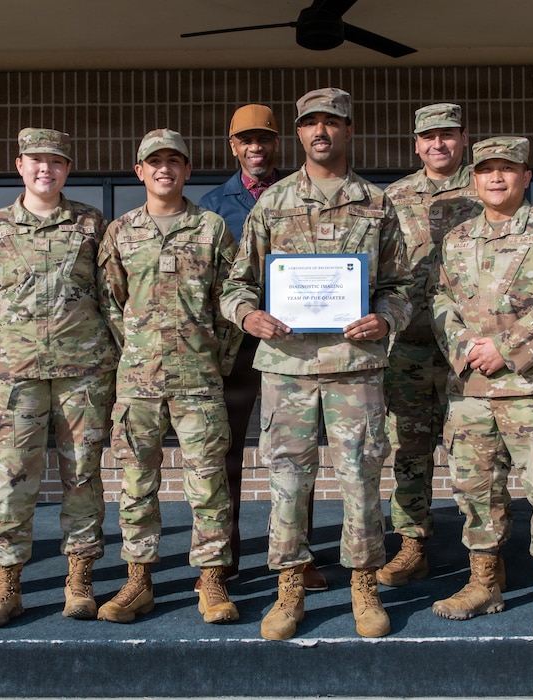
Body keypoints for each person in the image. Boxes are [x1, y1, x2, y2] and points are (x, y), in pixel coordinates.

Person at [221, 88, 412, 640]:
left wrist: (385, 318)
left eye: (332, 123)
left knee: (360, 474)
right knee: (287, 478)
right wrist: (248, 316)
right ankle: (289, 588)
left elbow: (402, 284)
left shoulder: (377, 204)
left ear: (350, 131)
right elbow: (236, 284)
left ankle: (363, 587)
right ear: (299, 135)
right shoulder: (272, 204)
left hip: (355, 365)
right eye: (310, 124)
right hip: (287, 365)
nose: (321, 133)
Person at [429, 136, 533, 639]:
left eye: (508, 169)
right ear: (474, 179)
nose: (496, 178)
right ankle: (484, 584)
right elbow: (439, 302)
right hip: (472, 390)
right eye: (487, 170)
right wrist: (464, 349)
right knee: (476, 493)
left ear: (526, 176)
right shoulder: (456, 240)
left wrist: (506, 347)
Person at [0, 128, 119, 627]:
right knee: (11, 481)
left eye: (56, 162)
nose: (45, 170)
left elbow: (111, 289)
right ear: (20, 165)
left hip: (84, 373)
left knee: (82, 477)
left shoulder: (92, 225)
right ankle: (7, 586)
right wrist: (18, 334)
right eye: (36, 161)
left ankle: (80, 580)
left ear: (67, 169)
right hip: (17, 376)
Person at [96, 128, 242, 625]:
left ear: (186, 170)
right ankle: (138, 580)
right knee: (136, 484)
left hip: (199, 380)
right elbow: (110, 303)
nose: (164, 169)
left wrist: (214, 360)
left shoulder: (213, 228)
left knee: (208, 485)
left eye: (174, 161)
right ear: (140, 171)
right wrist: (136, 352)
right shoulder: (120, 232)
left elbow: (230, 304)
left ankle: (212, 581)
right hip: (138, 383)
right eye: (154, 161)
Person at [198, 104, 327, 592]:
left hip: (296, 346)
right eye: (246, 140)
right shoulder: (211, 206)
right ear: (233, 147)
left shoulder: (305, 195)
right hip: (235, 349)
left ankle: (300, 556)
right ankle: (224, 557)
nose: (256, 148)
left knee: (296, 454)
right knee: (226, 452)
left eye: (265, 139)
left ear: (279, 144)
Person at [379, 103, 488, 588]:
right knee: (409, 448)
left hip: (471, 349)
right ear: (416, 143)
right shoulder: (395, 196)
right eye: (429, 137)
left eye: (448, 135)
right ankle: (412, 543)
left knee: (475, 453)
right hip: (410, 344)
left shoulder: (488, 186)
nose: (438, 144)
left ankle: (485, 554)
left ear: (463, 139)